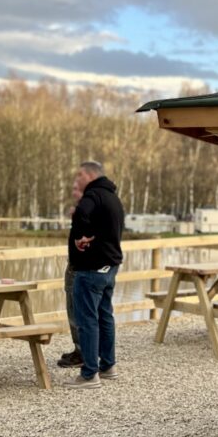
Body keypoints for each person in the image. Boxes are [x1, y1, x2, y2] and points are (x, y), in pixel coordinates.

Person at [64, 160, 125, 390]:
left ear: (89, 175)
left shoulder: (92, 195)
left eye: (79, 174)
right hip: (110, 267)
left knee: (87, 320)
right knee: (105, 316)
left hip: (91, 269)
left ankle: (90, 374)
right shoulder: (112, 197)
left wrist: (80, 236)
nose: (76, 179)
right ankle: (108, 366)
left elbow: (81, 214)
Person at [57, 180, 84, 369]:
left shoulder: (88, 209)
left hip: (79, 268)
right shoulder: (85, 208)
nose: (73, 192)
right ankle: (80, 350)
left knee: (76, 311)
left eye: (76, 189)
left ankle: (82, 352)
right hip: (75, 264)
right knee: (75, 310)